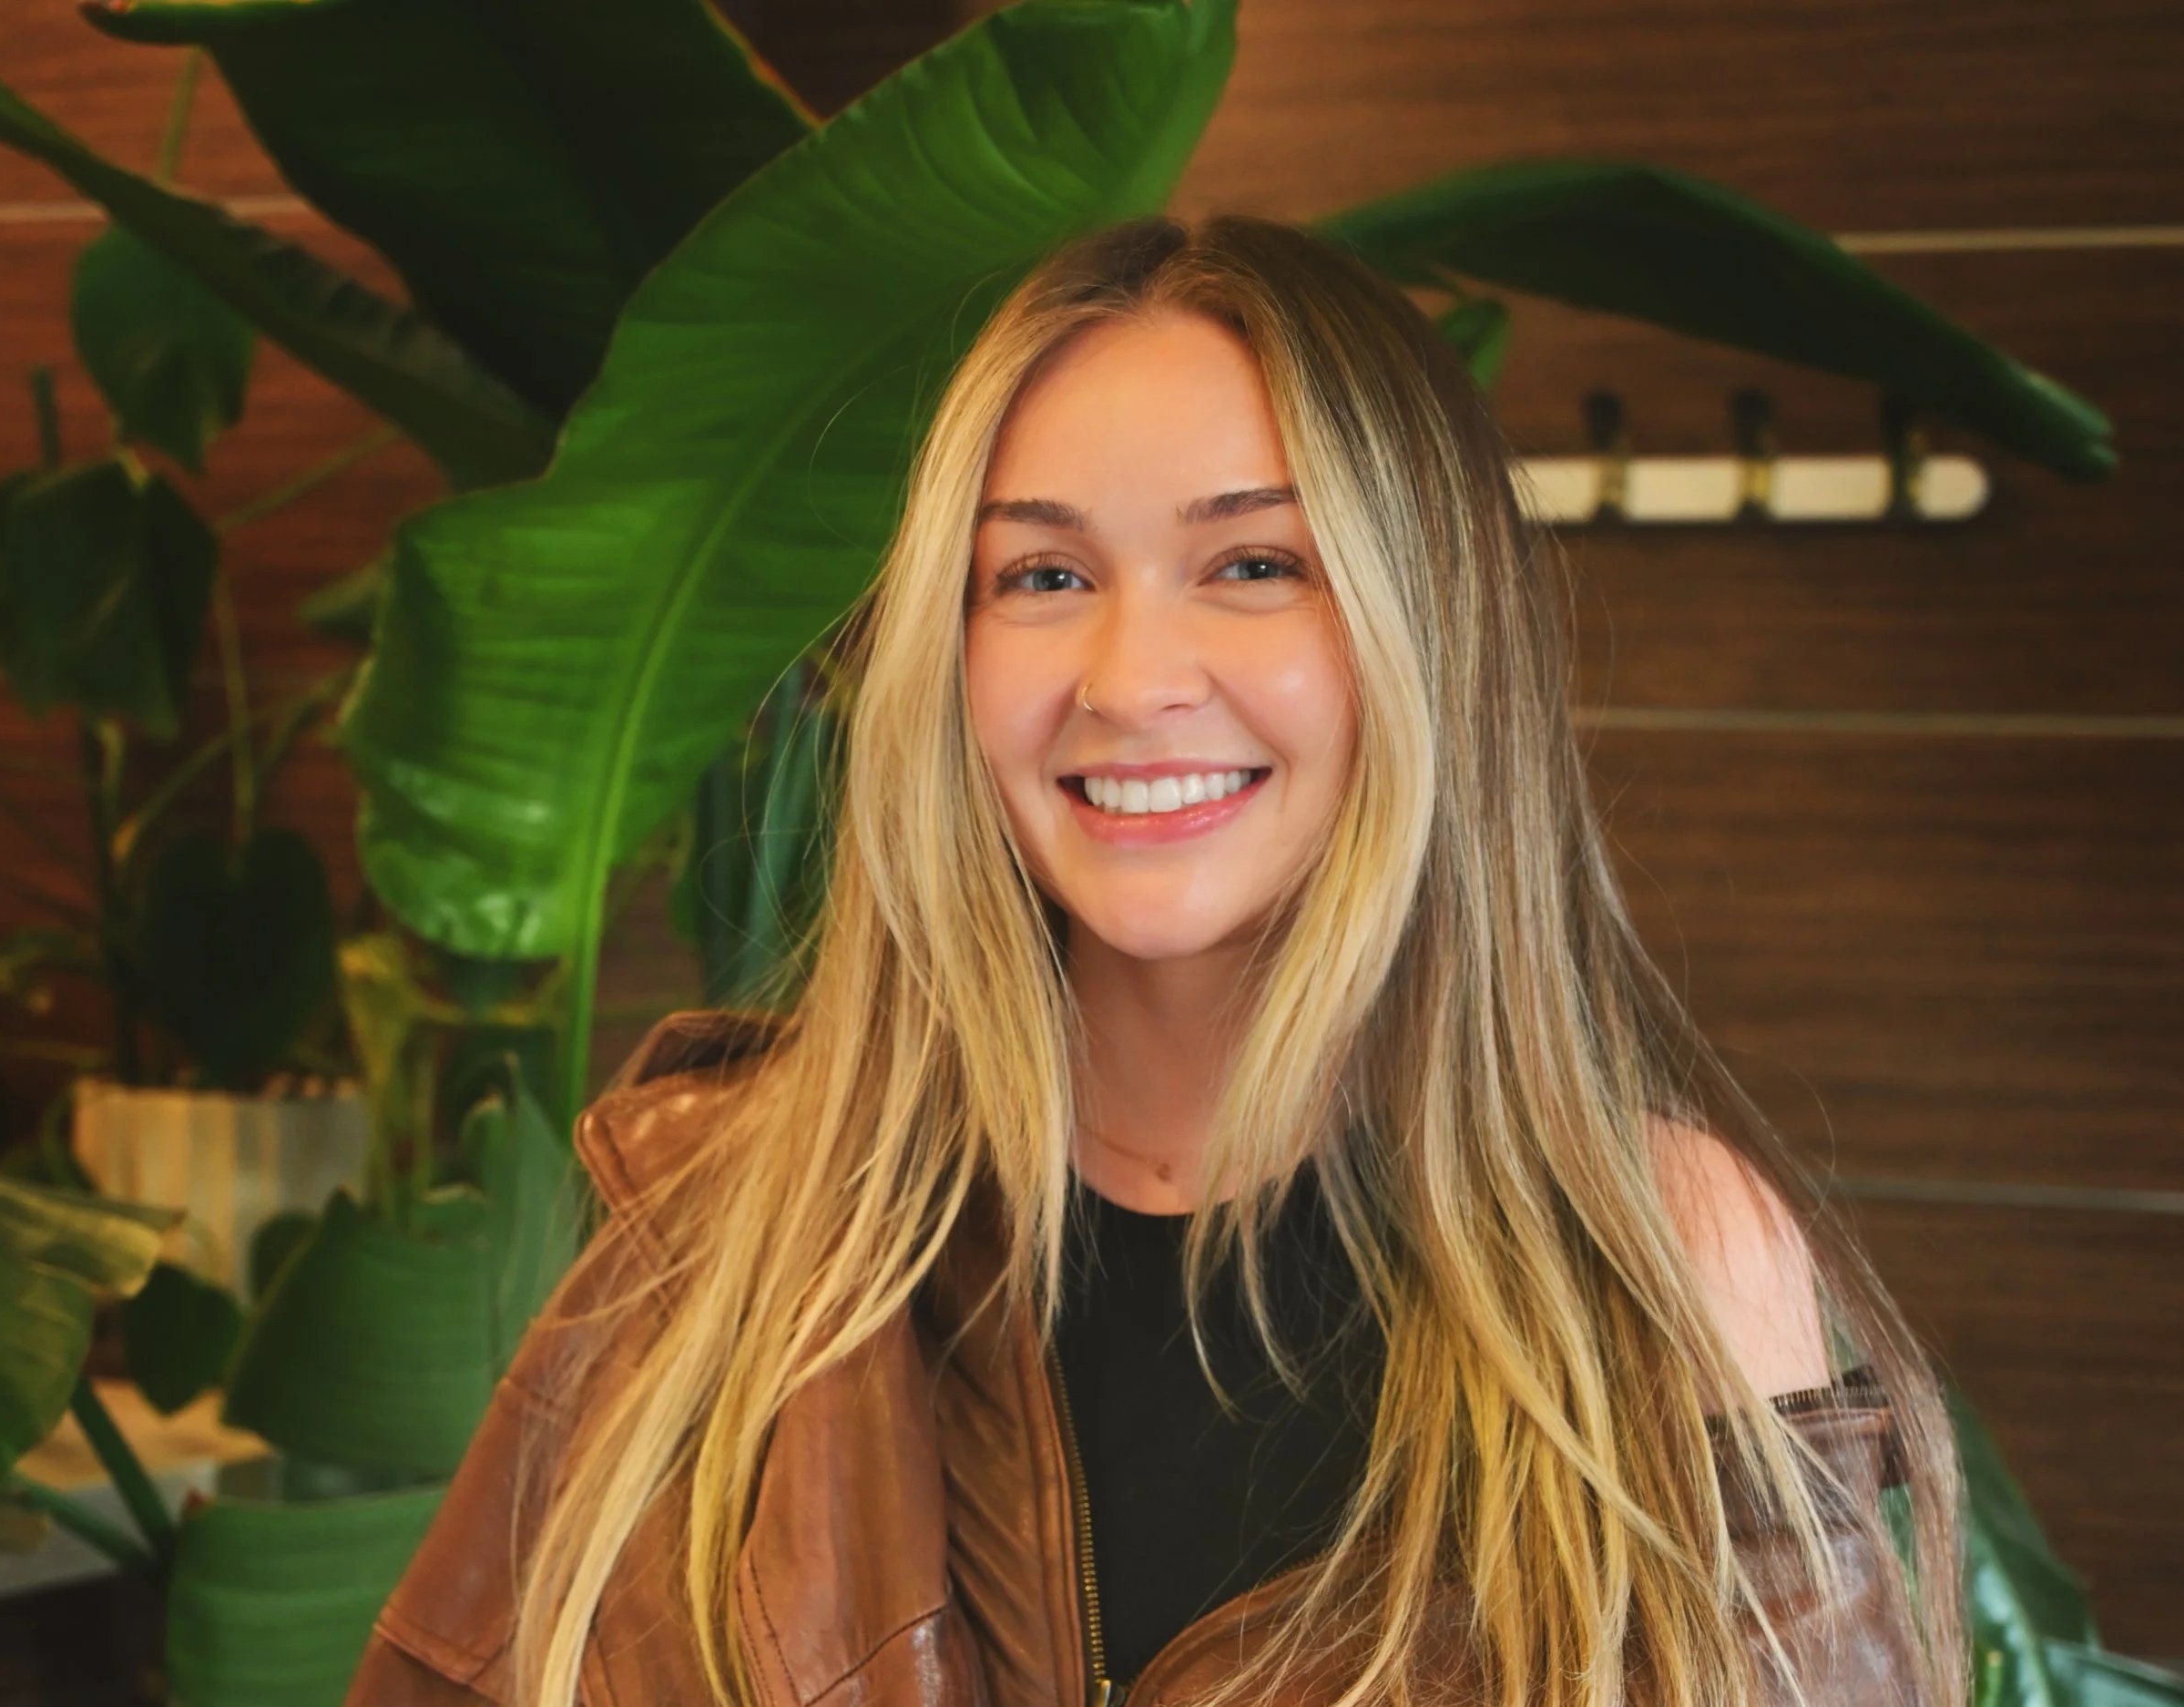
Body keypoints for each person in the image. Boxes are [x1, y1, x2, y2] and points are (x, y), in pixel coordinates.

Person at [343, 214, 1966, 1707]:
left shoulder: (1659, 1261)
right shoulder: (723, 1216)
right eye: (1042, 576)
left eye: (1254, 563)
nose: (1129, 679)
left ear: (1430, 626)